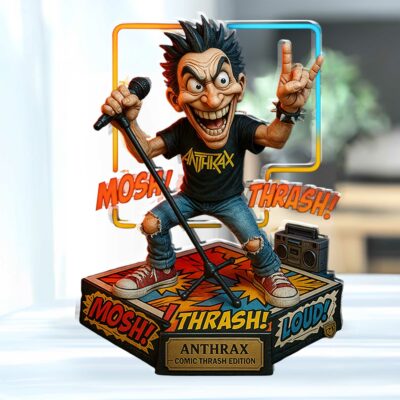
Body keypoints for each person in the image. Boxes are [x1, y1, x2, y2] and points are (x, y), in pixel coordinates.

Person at [101, 16, 323, 308]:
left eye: (222, 82)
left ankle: (269, 272)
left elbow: (275, 138)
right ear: (175, 99)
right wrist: (128, 124)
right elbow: (146, 150)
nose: (212, 99)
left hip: (230, 200)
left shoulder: (240, 126)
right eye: (195, 85)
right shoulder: (183, 130)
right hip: (190, 198)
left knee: (254, 243)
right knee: (152, 223)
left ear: (240, 86)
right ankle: (160, 267)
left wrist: (287, 110)